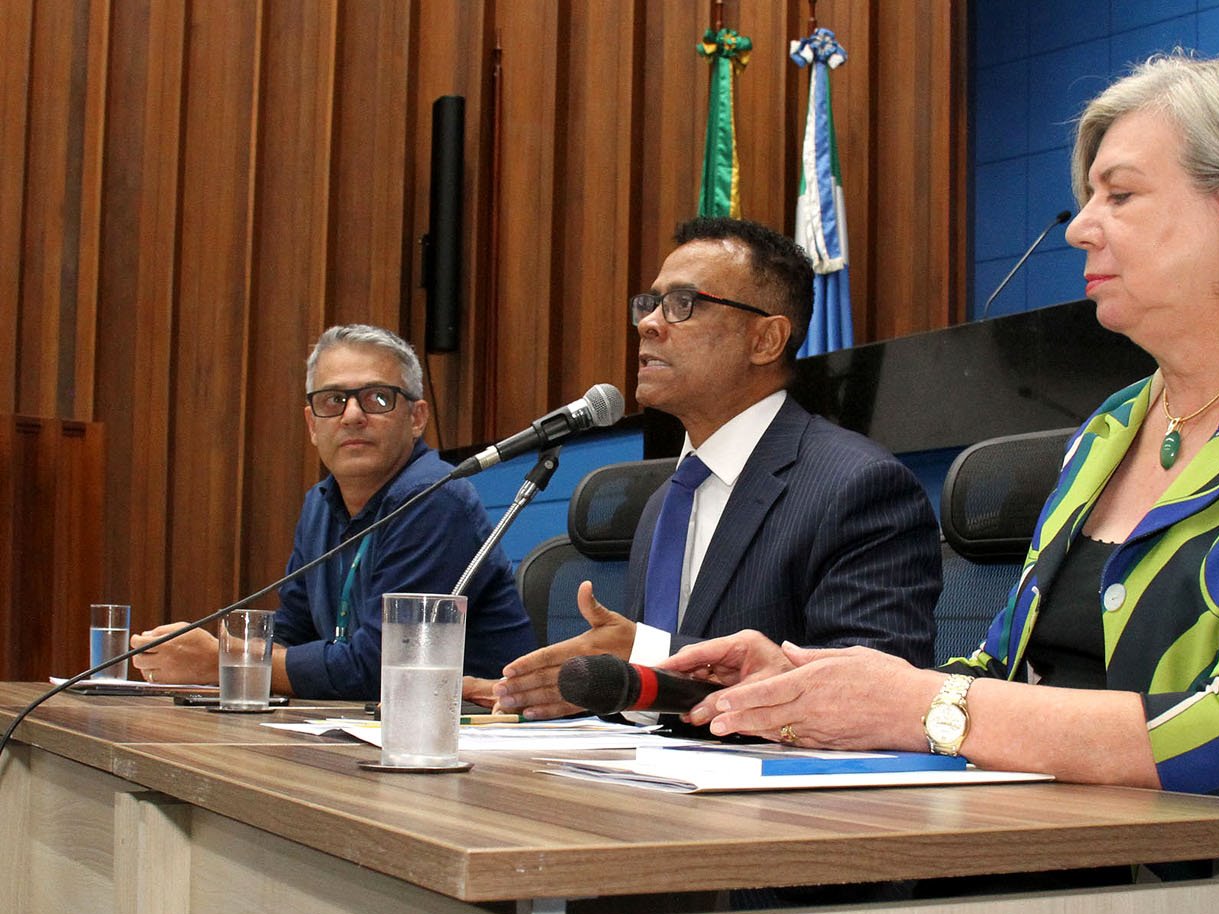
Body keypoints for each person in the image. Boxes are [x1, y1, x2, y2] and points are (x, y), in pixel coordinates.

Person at [665, 55, 1219, 914]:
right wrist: (824, 683)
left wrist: (924, 708)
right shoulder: (1110, 430)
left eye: (1119, 195)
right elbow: (1001, 677)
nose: (1081, 226)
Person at [472, 217, 941, 719]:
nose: (648, 324)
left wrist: (643, 656)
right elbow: (666, 707)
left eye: (683, 304)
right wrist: (563, 695)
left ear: (766, 340)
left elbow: (876, 697)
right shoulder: (665, 501)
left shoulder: (856, 485)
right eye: (650, 303)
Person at [132, 324, 536, 700]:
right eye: (333, 400)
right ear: (312, 424)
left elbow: (382, 668)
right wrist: (221, 659)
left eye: (377, 398)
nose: (353, 416)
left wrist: (227, 662)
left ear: (417, 418)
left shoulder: (434, 499)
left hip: (475, 730)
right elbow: (293, 631)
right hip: (367, 726)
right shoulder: (320, 504)